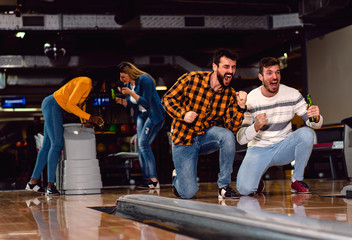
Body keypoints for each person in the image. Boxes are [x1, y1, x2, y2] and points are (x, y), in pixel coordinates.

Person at [162, 48, 247, 199]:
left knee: (226, 136)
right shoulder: (192, 79)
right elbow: (167, 99)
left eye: (233, 67)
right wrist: (183, 114)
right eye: (226, 67)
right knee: (188, 193)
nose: (231, 71)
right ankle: (178, 177)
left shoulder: (229, 94)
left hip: (204, 137)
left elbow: (232, 128)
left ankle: (224, 186)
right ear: (215, 67)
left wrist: (241, 108)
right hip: (184, 140)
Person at [236, 57, 323, 196]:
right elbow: (240, 138)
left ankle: (297, 181)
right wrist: (256, 126)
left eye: (277, 72)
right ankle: (256, 178)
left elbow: (313, 123)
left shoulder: (292, 94)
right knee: (245, 190)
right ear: (261, 77)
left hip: (284, 146)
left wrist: (316, 117)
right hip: (259, 149)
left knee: (307, 133)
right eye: (269, 73)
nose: (275, 77)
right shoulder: (251, 100)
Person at [25, 69, 114, 195]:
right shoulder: (85, 82)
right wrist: (90, 117)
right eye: (107, 85)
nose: (106, 90)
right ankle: (50, 185)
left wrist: (85, 121)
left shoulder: (89, 88)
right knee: (57, 144)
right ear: (101, 81)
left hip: (55, 107)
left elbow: (80, 105)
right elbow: (71, 105)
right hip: (53, 105)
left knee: (46, 146)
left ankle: (32, 183)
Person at [115, 61, 165, 189]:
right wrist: (122, 101)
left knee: (144, 144)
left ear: (130, 73)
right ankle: (147, 179)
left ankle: (153, 180)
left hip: (152, 115)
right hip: (141, 116)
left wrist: (131, 93)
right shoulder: (130, 84)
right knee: (140, 146)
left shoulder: (145, 79)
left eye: (123, 77)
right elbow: (133, 103)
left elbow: (146, 102)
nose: (122, 80)